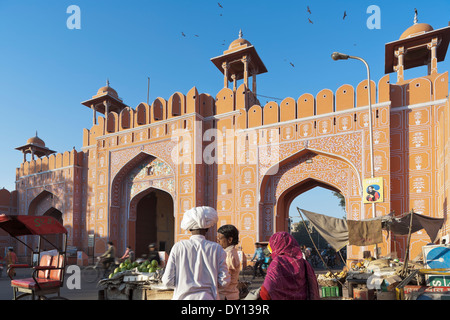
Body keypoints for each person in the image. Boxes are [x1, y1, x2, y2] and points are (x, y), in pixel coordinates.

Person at [162, 206, 230, 300]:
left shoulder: (178, 247)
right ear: (207, 228)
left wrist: (183, 284)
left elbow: (167, 281)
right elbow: (224, 281)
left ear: (189, 229)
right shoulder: (217, 248)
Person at [259, 232, 320, 300]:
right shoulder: (304, 263)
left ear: (277, 246)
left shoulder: (277, 262)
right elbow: (313, 288)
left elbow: (267, 291)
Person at [217, 224, 240, 300]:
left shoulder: (229, 255)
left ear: (229, 240)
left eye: (220, 238)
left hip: (226, 295)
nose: (218, 241)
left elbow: (226, 276)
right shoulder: (229, 252)